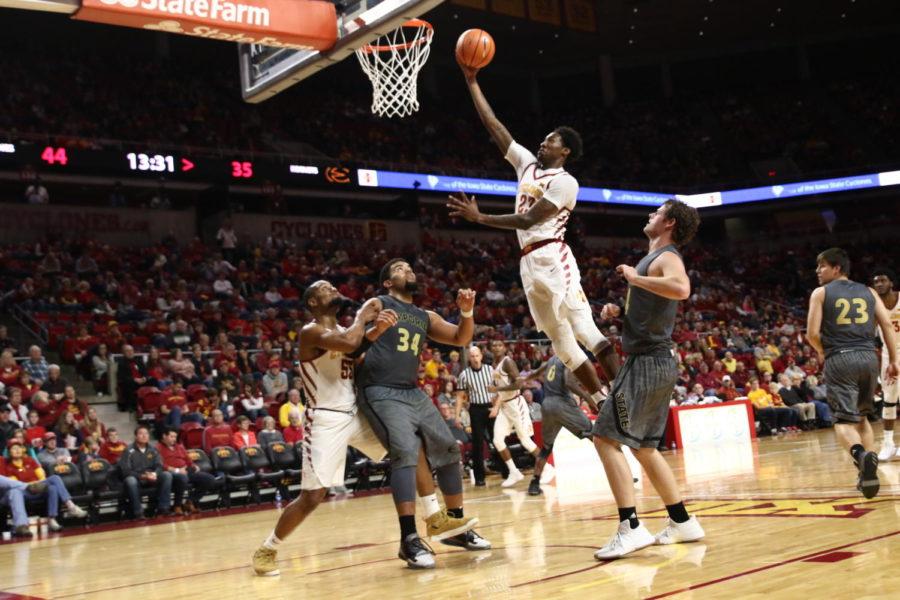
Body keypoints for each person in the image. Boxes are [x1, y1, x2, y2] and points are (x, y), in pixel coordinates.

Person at [253, 280, 478, 576]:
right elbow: (349, 344)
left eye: (333, 287)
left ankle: (434, 516)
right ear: (312, 303)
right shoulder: (312, 332)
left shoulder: (349, 332)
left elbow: (357, 351)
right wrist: (366, 319)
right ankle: (268, 547)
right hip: (325, 418)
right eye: (325, 289)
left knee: (410, 447)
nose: (333, 289)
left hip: (355, 412)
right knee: (313, 496)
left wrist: (379, 333)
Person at [450, 61, 620, 410]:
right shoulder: (526, 164)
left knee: (584, 329)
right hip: (528, 263)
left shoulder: (565, 182)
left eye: (550, 141)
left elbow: (529, 219)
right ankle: (602, 403)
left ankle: (622, 394)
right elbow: (493, 125)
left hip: (553, 256)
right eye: (542, 141)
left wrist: (480, 217)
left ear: (565, 151)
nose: (542, 144)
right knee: (561, 343)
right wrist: (472, 83)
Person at [357, 262, 490, 569]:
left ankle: (456, 526)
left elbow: (460, 338)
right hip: (378, 388)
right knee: (405, 452)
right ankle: (408, 539)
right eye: (401, 269)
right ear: (388, 282)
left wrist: (467, 312)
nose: (409, 271)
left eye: (410, 267)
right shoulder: (378, 303)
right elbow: (353, 335)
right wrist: (368, 328)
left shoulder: (424, 315)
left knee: (448, 447)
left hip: (411, 390)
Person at [592, 199, 705, 560]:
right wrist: (621, 314)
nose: (649, 216)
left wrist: (634, 277)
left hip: (646, 364)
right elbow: (654, 307)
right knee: (644, 447)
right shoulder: (653, 257)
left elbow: (681, 289)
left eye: (656, 213)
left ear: (669, 222)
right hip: (653, 362)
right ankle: (682, 521)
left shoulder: (667, 256)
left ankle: (631, 527)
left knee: (605, 438)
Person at [806, 248, 899, 499]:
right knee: (862, 418)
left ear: (837, 268)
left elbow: (812, 333)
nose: (817, 271)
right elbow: (888, 325)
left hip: (841, 357)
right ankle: (868, 474)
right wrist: (894, 360)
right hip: (869, 358)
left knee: (843, 422)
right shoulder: (868, 291)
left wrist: (824, 351)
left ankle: (859, 454)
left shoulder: (821, 293)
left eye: (822, 266)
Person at [523, 355, 594, 496]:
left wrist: (524, 380)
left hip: (547, 405)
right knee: (595, 435)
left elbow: (535, 374)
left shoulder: (550, 360)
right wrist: (587, 397)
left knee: (546, 448)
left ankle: (534, 483)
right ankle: (621, 473)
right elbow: (569, 382)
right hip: (563, 404)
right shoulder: (568, 357)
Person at [486, 339, 541, 488]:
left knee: (526, 441)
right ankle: (514, 472)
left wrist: (497, 390)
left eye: (499, 345)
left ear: (504, 347)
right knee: (497, 440)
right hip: (505, 407)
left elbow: (519, 383)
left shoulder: (508, 362)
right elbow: (501, 385)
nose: (496, 347)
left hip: (516, 404)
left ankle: (547, 467)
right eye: (494, 345)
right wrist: (496, 395)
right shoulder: (494, 365)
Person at [2, 439, 87, 531]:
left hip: (39, 487)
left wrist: (38, 485)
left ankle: (58, 514)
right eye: (14, 448)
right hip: (24, 491)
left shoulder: (30, 460)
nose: (17, 450)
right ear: (9, 451)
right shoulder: (7, 465)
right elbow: (15, 484)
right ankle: (69, 507)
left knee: (53, 484)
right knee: (16, 490)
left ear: (23, 449)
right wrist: (32, 485)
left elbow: (42, 476)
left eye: (19, 448)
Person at [455, 346, 499, 486]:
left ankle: (505, 471)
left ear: (481, 356)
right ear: (469, 357)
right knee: (478, 444)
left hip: (490, 407)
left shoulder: (490, 370)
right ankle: (480, 477)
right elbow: (460, 397)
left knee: (497, 439)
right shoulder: (464, 375)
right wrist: (457, 416)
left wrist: (496, 407)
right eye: (472, 356)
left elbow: (500, 390)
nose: (474, 358)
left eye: (476, 355)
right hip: (476, 409)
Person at [871, 267, 900, 461]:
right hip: (889, 356)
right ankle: (888, 444)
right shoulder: (873, 306)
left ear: (891, 283)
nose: (879, 284)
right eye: (876, 282)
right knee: (888, 400)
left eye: (882, 280)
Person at [157, 427, 216, 515]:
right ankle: (177, 505)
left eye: (175, 437)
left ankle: (190, 501)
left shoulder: (179, 446)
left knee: (209, 479)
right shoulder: (158, 448)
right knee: (182, 477)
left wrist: (194, 466)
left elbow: (188, 460)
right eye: (171, 437)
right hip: (171, 474)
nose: (174, 439)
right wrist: (177, 470)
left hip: (186, 471)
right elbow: (160, 465)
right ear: (164, 436)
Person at [118, 425, 173, 518]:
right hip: (138, 479)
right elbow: (126, 471)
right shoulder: (128, 450)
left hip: (152, 477)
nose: (144, 436)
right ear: (136, 436)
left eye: (146, 433)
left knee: (167, 475)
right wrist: (143, 476)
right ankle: (138, 512)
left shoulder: (153, 449)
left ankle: (163, 508)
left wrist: (155, 473)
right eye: (141, 433)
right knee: (130, 480)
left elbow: (159, 465)